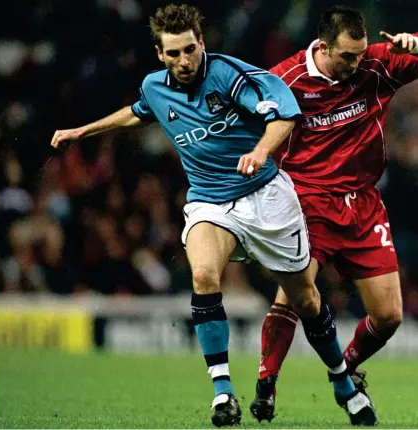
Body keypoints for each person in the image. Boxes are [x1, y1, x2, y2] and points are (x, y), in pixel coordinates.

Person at [51, 4, 376, 427]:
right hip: (210, 201)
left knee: (307, 300)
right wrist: (82, 131)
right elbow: (139, 111)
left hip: (265, 197)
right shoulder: (155, 87)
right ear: (159, 54)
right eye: (174, 54)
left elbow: (286, 114)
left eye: (190, 50)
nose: (184, 61)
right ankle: (223, 393)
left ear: (202, 43)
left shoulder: (229, 74)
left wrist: (260, 151)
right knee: (203, 274)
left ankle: (342, 382)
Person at [250, 4, 418, 426]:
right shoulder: (285, 79)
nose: (356, 64)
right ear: (323, 47)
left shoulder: (376, 64)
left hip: (362, 204)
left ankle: (343, 369)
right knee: (296, 292)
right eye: (347, 57)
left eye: (361, 55)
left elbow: (379, 59)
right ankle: (266, 384)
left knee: (389, 316)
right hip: (308, 202)